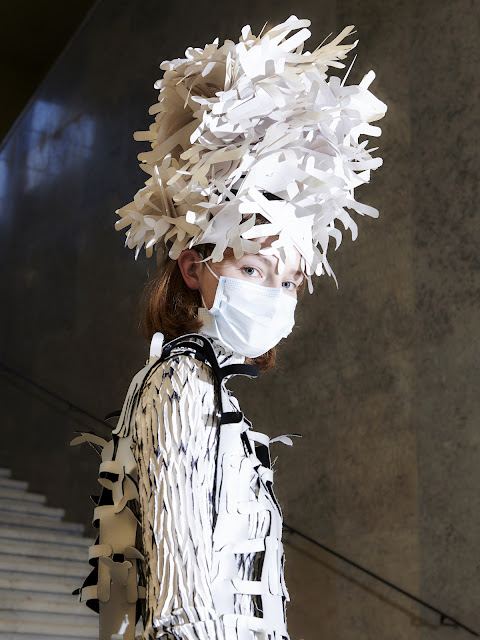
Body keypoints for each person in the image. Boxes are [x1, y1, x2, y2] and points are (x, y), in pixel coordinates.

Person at [73, 15, 386, 640]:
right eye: (252, 268)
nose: (274, 295)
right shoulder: (182, 388)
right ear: (195, 269)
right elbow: (183, 607)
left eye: (289, 281)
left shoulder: (194, 384)